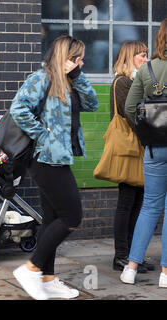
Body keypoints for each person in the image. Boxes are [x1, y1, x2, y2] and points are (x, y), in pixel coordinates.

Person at [10, 35, 98, 300]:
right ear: (65, 56)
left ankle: (47, 279)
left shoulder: (70, 81)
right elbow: (18, 109)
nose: (81, 61)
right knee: (72, 217)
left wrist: (78, 74)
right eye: (77, 57)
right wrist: (43, 134)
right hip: (45, 158)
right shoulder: (41, 78)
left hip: (59, 158)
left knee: (51, 219)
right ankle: (31, 268)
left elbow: (93, 103)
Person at [120, 18, 167, 287]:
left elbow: (129, 108)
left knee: (149, 207)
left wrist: (144, 133)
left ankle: (130, 268)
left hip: (154, 148)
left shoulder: (146, 69)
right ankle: (165, 275)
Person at [110, 41, 154, 273]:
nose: (146, 59)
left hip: (139, 149)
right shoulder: (123, 82)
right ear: (129, 57)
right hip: (130, 149)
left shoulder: (135, 80)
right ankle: (121, 256)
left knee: (138, 203)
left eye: (147, 55)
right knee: (127, 203)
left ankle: (133, 254)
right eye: (141, 55)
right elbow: (133, 115)